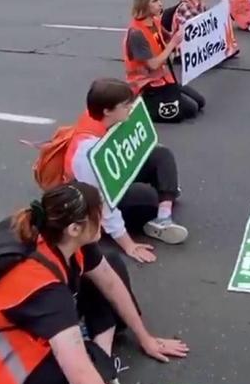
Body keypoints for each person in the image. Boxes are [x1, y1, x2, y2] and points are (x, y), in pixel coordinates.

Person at [0, 181, 188, 384]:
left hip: (28, 321)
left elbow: (110, 282)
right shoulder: (45, 291)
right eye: (99, 216)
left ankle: (101, 363)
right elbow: (80, 379)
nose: (104, 220)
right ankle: (100, 371)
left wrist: (147, 338)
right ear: (75, 228)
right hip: (7, 361)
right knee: (81, 377)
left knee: (113, 264)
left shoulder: (59, 234)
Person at [65, 78, 187, 254]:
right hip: (94, 196)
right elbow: (102, 203)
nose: (131, 107)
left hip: (116, 175)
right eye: (125, 105)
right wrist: (128, 245)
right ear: (107, 111)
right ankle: (159, 203)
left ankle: (163, 218)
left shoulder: (100, 117)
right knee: (148, 198)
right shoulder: (88, 153)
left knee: (161, 154)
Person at [123, 0, 206, 123]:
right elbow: (153, 65)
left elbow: (167, 37)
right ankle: (141, 105)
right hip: (147, 85)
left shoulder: (155, 22)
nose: (160, 4)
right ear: (144, 5)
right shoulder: (136, 33)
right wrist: (173, 44)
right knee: (191, 109)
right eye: (155, 1)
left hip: (163, 80)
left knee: (199, 102)